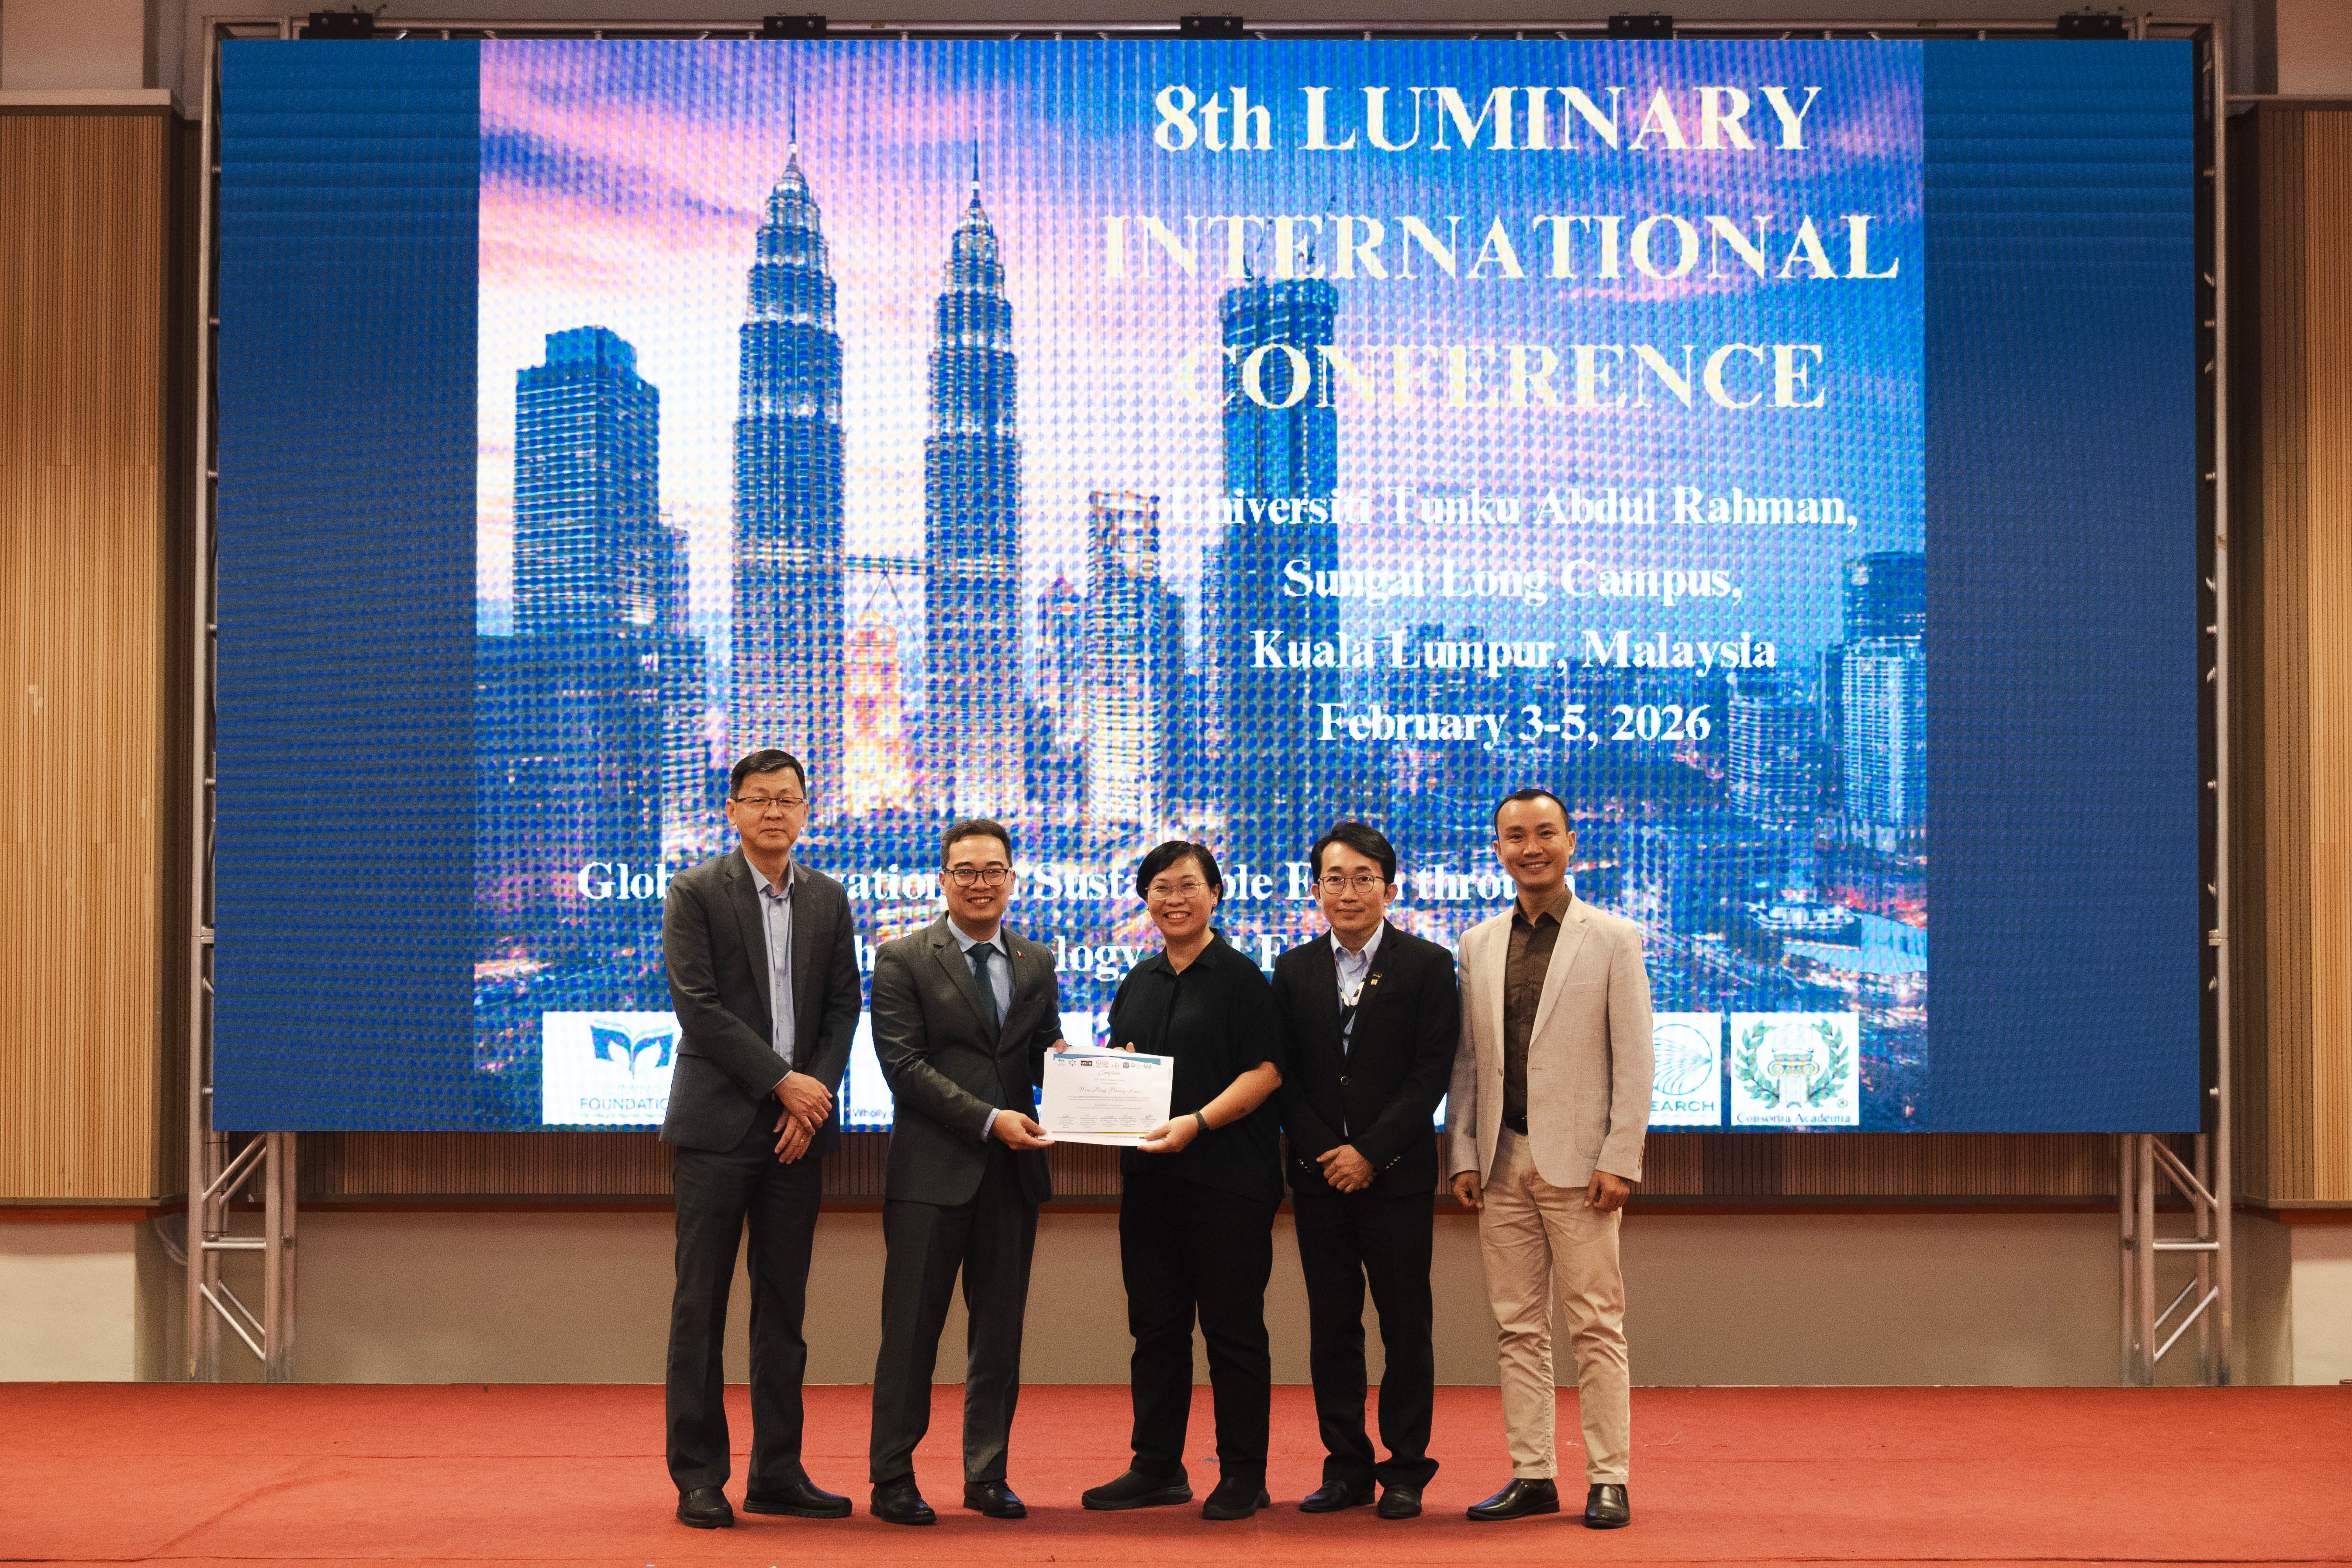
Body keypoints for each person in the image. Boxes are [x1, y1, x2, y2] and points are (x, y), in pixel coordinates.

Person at [659, 748, 862, 1531]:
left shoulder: (829, 898)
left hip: (797, 1137)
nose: (774, 812)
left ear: (807, 810)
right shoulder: (695, 890)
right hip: (719, 1127)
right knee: (699, 1307)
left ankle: (778, 1471)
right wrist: (784, 1083)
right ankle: (699, 1476)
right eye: (759, 799)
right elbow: (699, 1007)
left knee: (784, 1309)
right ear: (733, 810)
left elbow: (844, 1005)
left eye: (788, 799)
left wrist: (810, 1099)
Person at [1447, 787, 1653, 1530]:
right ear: (1497, 848)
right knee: (1516, 1326)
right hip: (1501, 1162)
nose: (1529, 847)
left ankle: (1609, 1478)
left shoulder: (1613, 937)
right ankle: (1532, 1472)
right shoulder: (1476, 942)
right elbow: (1469, 1061)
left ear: (1571, 840)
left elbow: (1634, 1058)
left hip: (1582, 1166)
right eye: (1513, 836)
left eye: (1543, 833)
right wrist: (1463, 1151)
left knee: (1596, 1324)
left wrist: (1620, 1156)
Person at [1079, 841, 1287, 1521]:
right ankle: (1157, 1466)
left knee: (1231, 1328)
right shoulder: (1137, 978)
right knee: (1156, 1328)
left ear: (1215, 894)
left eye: (1189, 885)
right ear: (1146, 899)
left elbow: (1265, 1073)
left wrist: (1197, 1121)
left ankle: (1242, 1473)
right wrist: (1094, 1071)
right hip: (1149, 1181)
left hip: (1227, 1180)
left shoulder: (1242, 978)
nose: (1174, 898)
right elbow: (1124, 1061)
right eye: (1161, 887)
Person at [866, 819, 1064, 1526]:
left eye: (994, 870)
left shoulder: (1037, 961)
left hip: (1012, 1179)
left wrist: (1098, 1072)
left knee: (999, 1337)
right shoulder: (903, 959)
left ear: (1013, 879)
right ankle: (891, 1476)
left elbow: (1042, 1056)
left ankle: (987, 1474)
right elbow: (905, 1068)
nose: (981, 882)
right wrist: (988, 1118)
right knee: (911, 1333)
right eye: (966, 870)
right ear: (943, 880)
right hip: (931, 1175)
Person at [1271, 821, 1459, 1520]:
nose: (1347, 892)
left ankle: (1405, 1467)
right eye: (1333, 878)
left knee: (1405, 1325)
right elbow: (1283, 1075)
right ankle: (1345, 1464)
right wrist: (1329, 1153)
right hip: (1321, 1179)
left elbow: (1429, 1073)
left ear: (1389, 885)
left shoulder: (1426, 964)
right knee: (1333, 1327)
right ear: (1315, 887)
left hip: (1397, 1176)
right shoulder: (1291, 970)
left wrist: (1369, 1152)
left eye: (1362, 878)